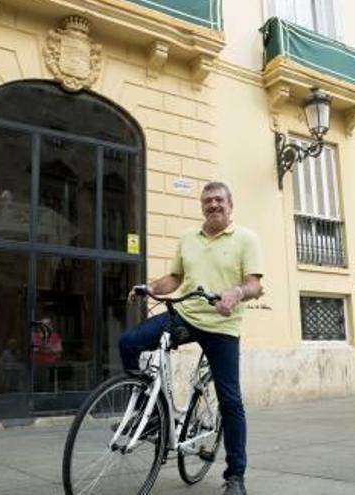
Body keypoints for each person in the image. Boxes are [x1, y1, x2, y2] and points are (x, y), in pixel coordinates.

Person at [119, 181, 263, 495]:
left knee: (231, 401)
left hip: (222, 327)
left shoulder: (245, 239)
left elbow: (254, 285)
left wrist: (236, 292)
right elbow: (176, 278)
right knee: (128, 342)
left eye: (219, 200)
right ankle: (151, 414)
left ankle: (235, 477)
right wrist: (151, 288)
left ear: (230, 205)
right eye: (208, 200)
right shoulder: (187, 238)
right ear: (202, 206)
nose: (213, 204)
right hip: (185, 316)